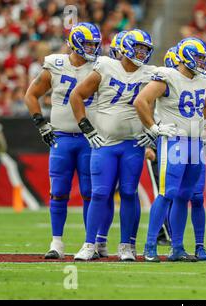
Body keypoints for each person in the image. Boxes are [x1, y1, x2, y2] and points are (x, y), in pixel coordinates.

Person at [70, 29, 156, 261]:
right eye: (138, 48)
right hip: (105, 144)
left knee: (129, 193)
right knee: (99, 193)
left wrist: (153, 131)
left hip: (133, 145)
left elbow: (169, 101)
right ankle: (90, 244)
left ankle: (127, 245)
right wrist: (86, 127)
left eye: (145, 49)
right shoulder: (106, 66)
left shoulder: (152, 73)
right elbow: (76, 95)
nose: (142, 52)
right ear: (126, 48)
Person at [24, 22, 102, 259]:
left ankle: (91, 244)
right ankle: (56, 242)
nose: (93, 48)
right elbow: (31, 95)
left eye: (94, 43)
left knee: (90, 192)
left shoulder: (100, 66)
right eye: (88, 43)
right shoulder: (56, 65)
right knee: (58, 191)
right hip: (62, 138)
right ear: (76, 43)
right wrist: (41, 124)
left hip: (90, 138)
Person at [134, 37, 206, 262]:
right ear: (187, 56)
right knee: (167, 193)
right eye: (198, 57)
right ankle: (150, 245)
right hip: (174, 142)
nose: (201, 62)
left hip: (195, 142)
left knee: (184, 196)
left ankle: (177, 248)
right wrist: (154, 127)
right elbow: (141, 101)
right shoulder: (167, 76)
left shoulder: (201, 79)